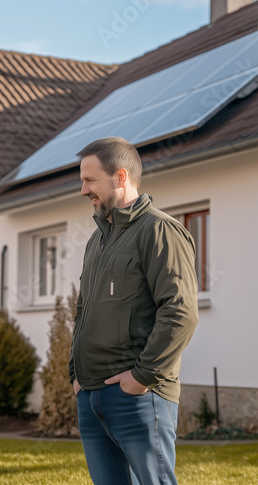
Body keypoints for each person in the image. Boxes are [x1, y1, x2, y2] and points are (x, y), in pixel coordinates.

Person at [69, 137, 198, 485]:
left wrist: (142, 377)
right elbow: (83, 312)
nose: (83, 190)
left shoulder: (160, 231)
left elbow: (180, 312)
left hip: (139, 397)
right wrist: (76, 376)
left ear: (120, 176)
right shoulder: (97, 240)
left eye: (90, 180)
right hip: (92, 395)